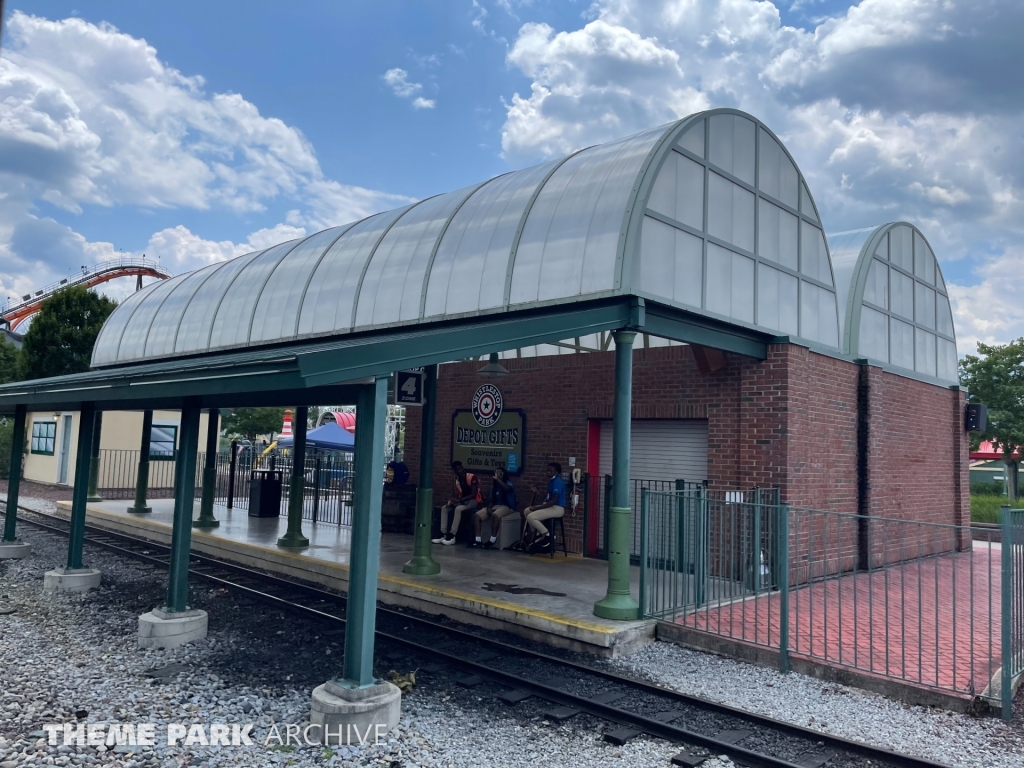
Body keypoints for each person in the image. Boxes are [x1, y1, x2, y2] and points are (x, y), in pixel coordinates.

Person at [432, 461, 482, 545]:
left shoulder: (471, 477)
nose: (458, 471)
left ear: (462, 468)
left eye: (459, 469)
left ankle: (452, 535)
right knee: (445, 508)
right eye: (456, 470)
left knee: (458, 509)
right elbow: (456, 495)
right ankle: (443, 534)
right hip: (462, 500)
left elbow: (473, 494)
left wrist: (460, 500)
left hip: (473, 501)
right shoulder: (457, 480)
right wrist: (453, 500)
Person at [470, 466, 517, 549]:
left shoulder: (509, 483)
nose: (498, 475)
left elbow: (508, 489)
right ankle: (478, 540)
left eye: (500, 473)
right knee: (477, 515)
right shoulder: (494, 487)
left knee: (495, 515)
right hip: (496, 506)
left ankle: (492, 539)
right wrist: (489, 507)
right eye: (496, 473)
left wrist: (498, 480)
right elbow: (491, 500)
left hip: (507, 506)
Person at [524, 462, 566, 553]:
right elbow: (547, 498)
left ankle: (547, 535)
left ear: (557, 472)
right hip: (551, 505)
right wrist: (537, 491)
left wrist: (538, 508)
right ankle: (537, 533)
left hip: (557, 508)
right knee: (527, 511)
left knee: (531, 517)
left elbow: (553, 501)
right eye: (547, 470)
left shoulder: (557, 482)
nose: (548, 472)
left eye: (551, 471)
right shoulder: (551, 481)